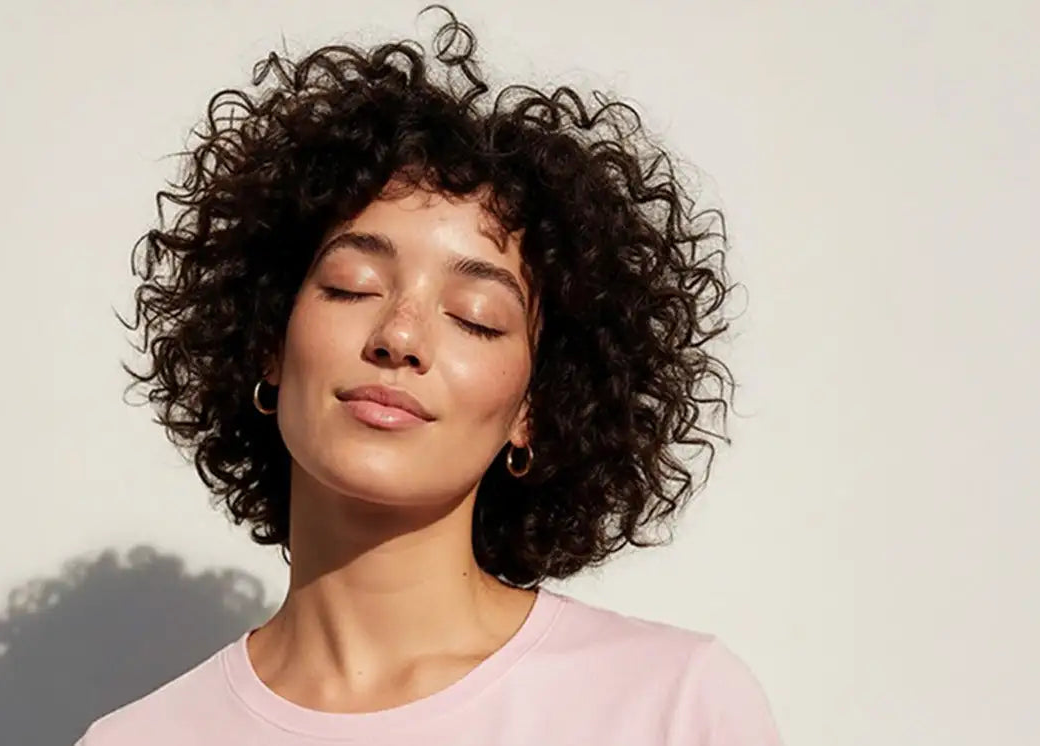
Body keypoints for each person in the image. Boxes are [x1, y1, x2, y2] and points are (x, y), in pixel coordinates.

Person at [78, 6, 782, 744]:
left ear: (534, 407)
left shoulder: (669, 705)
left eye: (476, 316)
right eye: (352, 285)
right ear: (269, 344)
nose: (399, 337)